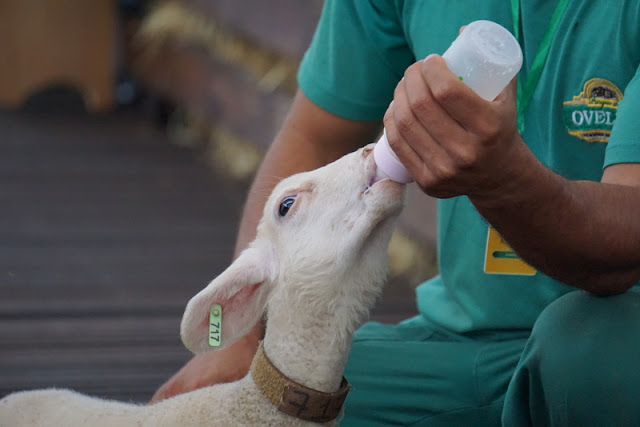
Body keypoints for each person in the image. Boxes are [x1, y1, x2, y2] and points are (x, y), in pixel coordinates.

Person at [152, 1, 640, 425]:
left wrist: (504, 182)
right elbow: (315, 136)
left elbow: (622, 248)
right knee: (281, 401)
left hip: (610, 338)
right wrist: (240, 343)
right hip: (459, 341)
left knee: (580, 357)